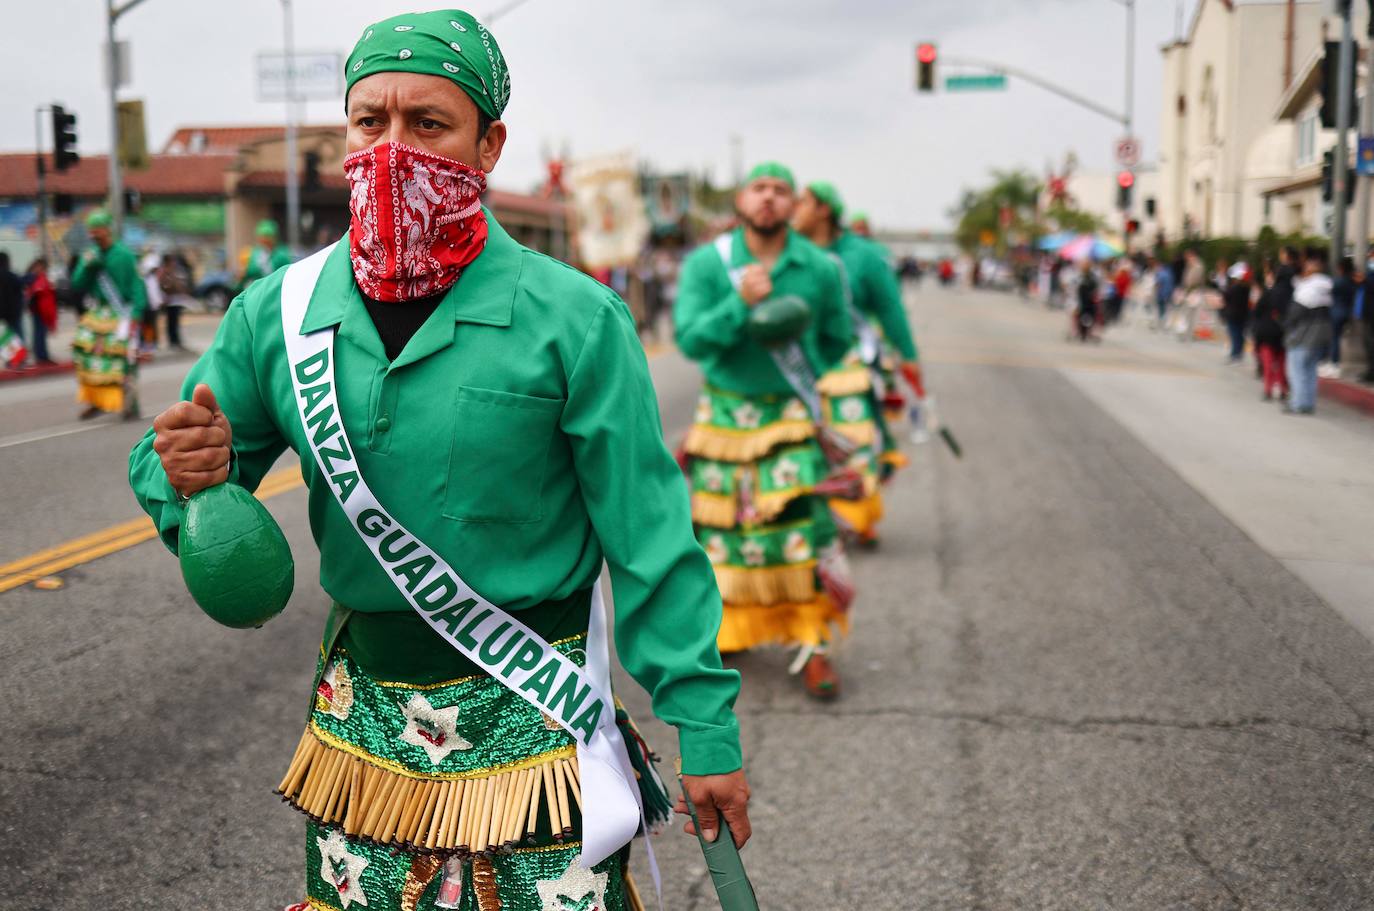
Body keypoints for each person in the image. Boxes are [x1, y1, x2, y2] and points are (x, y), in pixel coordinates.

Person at [129, 12, 750, 909]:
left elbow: (651, 542)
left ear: (488, 144)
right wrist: (190, 477)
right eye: (367, 122)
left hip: (536, 718)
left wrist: (706, 729)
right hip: (362, 726)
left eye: (428, 125)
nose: (390, 149)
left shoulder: (574, 319)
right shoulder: (277, 312)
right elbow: (174, 466)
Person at [674, 161, 854, 699]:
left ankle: (816, 646)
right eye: (760, 189)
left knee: (807, 530)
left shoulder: (819, 268)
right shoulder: (710, 265)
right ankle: (732, 629)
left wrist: (811, 374)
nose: (770, 198)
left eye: (781, 190)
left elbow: (838, 337)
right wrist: (739, 305)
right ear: (741, 200)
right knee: (725, 536)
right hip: (724, 420)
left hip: (791, 416)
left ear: (795, 203)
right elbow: (690, 339)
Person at [793, 180, 920, 545]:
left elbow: (890, 309)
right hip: (798, 364)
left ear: (824, 210)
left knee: (853, 445)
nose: (794, 209)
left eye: (803, 202)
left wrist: (908, 356)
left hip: (848, 365)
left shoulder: (864, 256)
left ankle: (855, 516)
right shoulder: (789, 252)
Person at [71, 210, 147, 419]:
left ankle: (130, 403)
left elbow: (137, 285)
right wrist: (87, 266)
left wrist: (137, 313)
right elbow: (77, 283)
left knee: (124, 358)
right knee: (88, 355)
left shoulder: (125, 255)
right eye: (91, 230)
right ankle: (97, 400)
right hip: (98, 313)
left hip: (122, 313)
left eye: (97, 229)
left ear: (107, 230)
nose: (94, 234)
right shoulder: (90, 254)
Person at [1285, 247, 1333, 415]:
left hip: (1303, 334)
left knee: (1297, 369)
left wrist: (1286, 325)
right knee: (1311, 370)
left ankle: (1297, 403)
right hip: (1321, 335)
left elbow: (1295, 314)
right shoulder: (1328, 287)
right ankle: (1308, 403)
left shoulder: (1307, 288)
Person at [1253, 261, 1289, 401]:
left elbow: (1257, 312)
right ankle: (1283, 390)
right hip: (1283, 332)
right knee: (1281, 363)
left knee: (1268, 363)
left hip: (1267, 332)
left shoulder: (1268, 293)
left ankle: (1268, 389)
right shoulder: (1292, 293)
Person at [1322, 256, 1356, 379]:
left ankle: (1334, 365)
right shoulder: (1352, 280)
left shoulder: (1338, 281)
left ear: (1341, 267)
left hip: (1336, 312)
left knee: (1334, 339)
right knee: (1336, 338)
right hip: (1347, 311)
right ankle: (1333, 364)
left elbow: (1327, 291)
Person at [238, 218, 294, 291]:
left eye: (267, 237)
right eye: (261, 237)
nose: (264, 240)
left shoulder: (282, 254)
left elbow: (287, 272)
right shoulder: (254, 253)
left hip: (276, 289)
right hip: (257, 289)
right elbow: (249, 271)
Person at [24, 258, 58, 365]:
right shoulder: (35, 279)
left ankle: (42, 355)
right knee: (40, 334)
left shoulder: (36, 278)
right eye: (42, 267)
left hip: (41, 310)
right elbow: (38, 292)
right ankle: (42, 356)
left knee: (40, 333)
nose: (44, 270)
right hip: (39, 310)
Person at [1221, 262, 1252, 364]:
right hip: (1243, 315)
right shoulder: (1247, 288)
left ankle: (1235, 354)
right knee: (1240, 335)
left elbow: (1226, 296)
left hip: (1233, 314)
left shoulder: (1234, 288)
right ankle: (1239, 353)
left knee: (1234, 334)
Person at [0, 251, 23, 345]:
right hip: (12, 312)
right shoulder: (12, 276)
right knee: (16, 335)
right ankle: (17, 357)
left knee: (4, 336)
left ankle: (5, 357)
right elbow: (20, 287)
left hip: (2, 311)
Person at [1074, 259, 1098, 342]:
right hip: (1082, 300)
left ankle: (1087, 333)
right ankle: (1082, 333)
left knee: (1090, 317)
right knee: (1081, 317)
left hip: (1090, 301)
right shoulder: (1080, 276)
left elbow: (1095, 287)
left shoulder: (1092, 277)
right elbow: (1076, 287)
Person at [1151, 255, 1175, 329]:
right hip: (1168, 293)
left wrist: (1154, 291)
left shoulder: (1161, 273)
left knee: (1161, 308)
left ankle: (1161, 322)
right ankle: (1165, 322)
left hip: (1161, 294)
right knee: (1166, 308)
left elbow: (1158, 284)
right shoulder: (1169, 273)